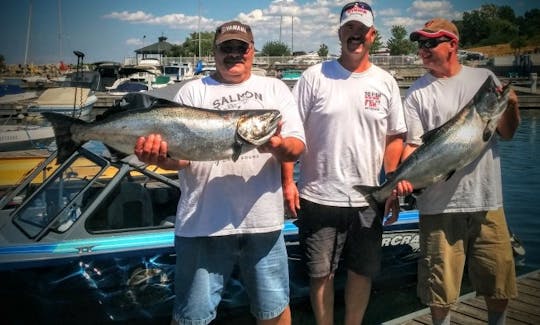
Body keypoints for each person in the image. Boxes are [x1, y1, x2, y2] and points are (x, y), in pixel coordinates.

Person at [134, 21, 306, 325]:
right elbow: (181, 161)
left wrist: (276, 146)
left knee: (275, 309)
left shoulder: (275, 89)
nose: (234, 54)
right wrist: (159, 159)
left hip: (263, 222)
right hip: (202, 224)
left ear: (252, 50)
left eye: (241, 47)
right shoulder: (192, 91)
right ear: (215, 51)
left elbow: (296, 147)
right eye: (227, 47)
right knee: (192, 317)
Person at [281, 2, 408, 324]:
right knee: (320, 274)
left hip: (368, 197)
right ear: (339, 33)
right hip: (317, 194)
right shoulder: (314, 77)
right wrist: (288, 181)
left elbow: (395, 137)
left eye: (362, 30)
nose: (356, 35)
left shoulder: (385, 81)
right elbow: (291, 134)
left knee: (361, 272)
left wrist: (391, 182)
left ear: (372, 35)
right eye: (349, 28)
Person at [401, 18, 520, 325]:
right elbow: (413, 147)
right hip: (438, 206)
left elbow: (506, 132)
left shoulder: (485, 79)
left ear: (452, 44)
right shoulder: (417, 93)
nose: (422, 50)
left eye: (430, 43)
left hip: (487, 201)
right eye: (420, 44)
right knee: (438, 291)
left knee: (498, 281)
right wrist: (398, 181)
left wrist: (512, 107)